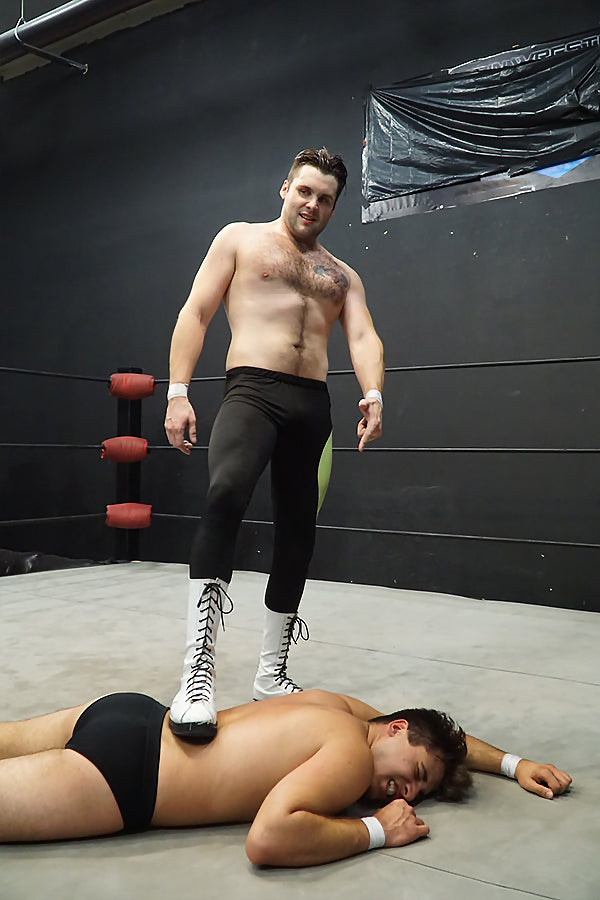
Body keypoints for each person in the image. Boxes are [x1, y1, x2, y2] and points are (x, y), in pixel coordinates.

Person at [164, 148, 385, 738]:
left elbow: (363, 336)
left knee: (298, 532)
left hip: (312, 405)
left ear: (335, 208)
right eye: (304, 191)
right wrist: (177, 392)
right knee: (225, 495)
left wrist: (373, 394)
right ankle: (196, 677)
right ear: (285, 188)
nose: (312, 204)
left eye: (325, 199)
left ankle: (271, 673)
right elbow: (196, 312)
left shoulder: (342, 276)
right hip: (252, 391)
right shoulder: (240, 239)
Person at [0, 688, 571, 865]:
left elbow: (443, 743)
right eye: (415, 775)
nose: (410, 792)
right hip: (128, 777)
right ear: (395, 729)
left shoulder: (337, 708)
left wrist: (514, 764)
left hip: (135, 714)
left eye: (420, 792)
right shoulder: (350, 756)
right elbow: (268, 839)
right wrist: (378, 829)